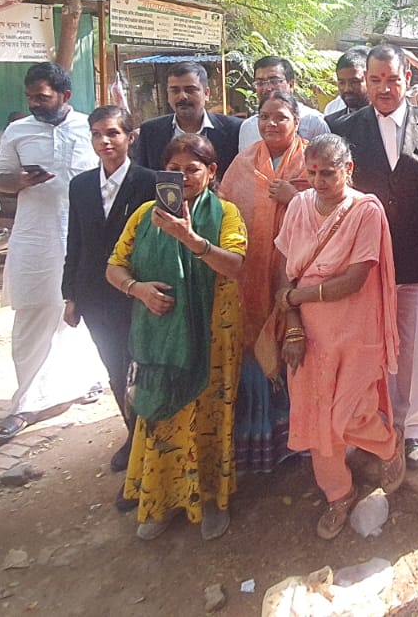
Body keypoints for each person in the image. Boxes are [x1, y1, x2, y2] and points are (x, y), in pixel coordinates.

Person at [106, 133, 246, 541]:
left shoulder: (226, 214)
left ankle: (211, 500)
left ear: (211, 171)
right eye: (173, 170)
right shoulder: (144, 215)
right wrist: (139, 290)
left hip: (214, 336)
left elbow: (235, 265)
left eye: (192, 169)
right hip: (160, 336)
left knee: (210, 416)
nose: (182, 177)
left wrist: (189, 237)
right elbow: (114, 266)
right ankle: (160, 501)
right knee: (161, 416)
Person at [329, 43, 418, 471]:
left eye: (391, 79)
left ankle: (413, 430)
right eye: (375, 80)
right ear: (366, 81)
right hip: (366, 264)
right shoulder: (344, 130)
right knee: (373, 349)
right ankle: (378, 427)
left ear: (407, 78)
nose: (384, 88)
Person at [273, 133, 407, 538]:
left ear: (348, 169)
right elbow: (284, 268)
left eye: (328, 174)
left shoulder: (366, 210)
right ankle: (338, 493)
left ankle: (388, 443)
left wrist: (297, 296)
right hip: (307, 332)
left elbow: (355, 278)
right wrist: (293, 325)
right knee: (316, 419)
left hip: (354, 329)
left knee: (348, 413)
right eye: (312, 173)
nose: (318, 182)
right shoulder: (299, 205)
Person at [0, 62, 105, 441]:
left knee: (82, 308)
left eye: (42, 97)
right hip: (35, 236)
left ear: (65, 95)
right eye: (30, 97)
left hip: (83, 234)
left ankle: (84, 380)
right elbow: (1, 179)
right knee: (33, 312)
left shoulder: (91, 128)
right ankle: (24, 404)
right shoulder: (17, 131)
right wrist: (20, 180)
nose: (34, 104)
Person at [62, 107, 158, 475]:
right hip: (94, 294)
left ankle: (152, 441)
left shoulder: (150, 182)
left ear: (130, 137)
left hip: (138, 293)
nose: (104, 141)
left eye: (113, 133)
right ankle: (132, 435)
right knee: (114, 368)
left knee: (143, 368)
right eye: (97, 134)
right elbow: (75, 240)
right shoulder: (81, 185)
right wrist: (71, 294)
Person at [218, 91, 308, 473]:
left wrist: (295, 196)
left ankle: (301, 441)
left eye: (280, 117)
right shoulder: (242, 163)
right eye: (264, 116)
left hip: (298, 273)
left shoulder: (311, 159)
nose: (271, 123)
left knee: (298, 350)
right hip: (250, 274)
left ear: (296, 121)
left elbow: (337, 206)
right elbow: (224, 208)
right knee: (252, 355)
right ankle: (261, 446)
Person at [136, 61, 244, 177]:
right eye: (175, 90)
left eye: (190, 90)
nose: (182, 96)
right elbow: (143, 178)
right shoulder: (150, 131)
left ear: (206, 93)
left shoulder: (234, 130)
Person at [237, 55, 329, 149]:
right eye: (260, 83)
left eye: (274, 81)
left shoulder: (313, 122)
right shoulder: (248, 127)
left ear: (291, 85)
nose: (267, 88)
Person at [323, 47, 371, 121]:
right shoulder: (332, 111)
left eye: (354, 82)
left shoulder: (384, 117)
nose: (347, 89)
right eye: (342, 82)